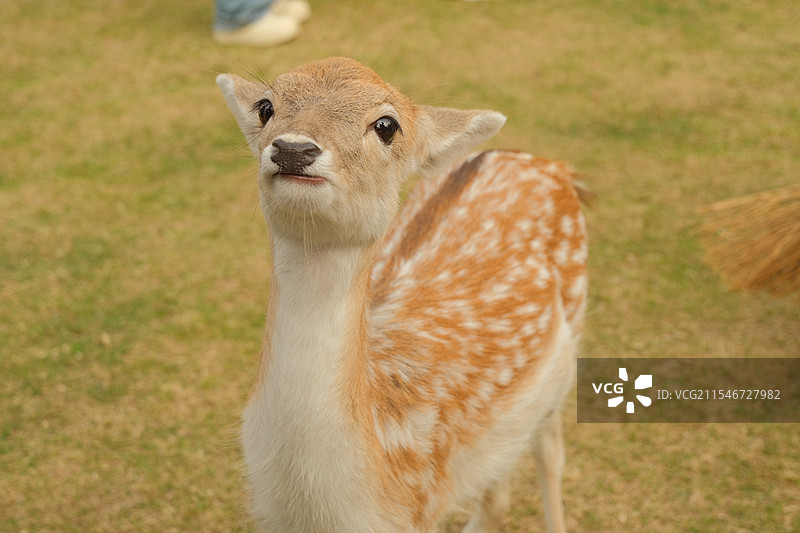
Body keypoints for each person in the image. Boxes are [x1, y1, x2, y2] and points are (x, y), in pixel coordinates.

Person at [214, 0, 311, 46]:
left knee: (299, 10)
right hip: (238, 20)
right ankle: (234, 24)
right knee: (289, 27)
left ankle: (263, 7)